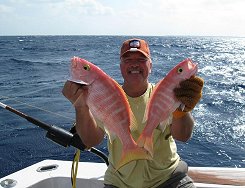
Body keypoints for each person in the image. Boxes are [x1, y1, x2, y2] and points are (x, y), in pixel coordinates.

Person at [62, 38, 204, 188]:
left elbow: (183, 136)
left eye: (142, 59)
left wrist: (182, 109)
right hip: (119, 183)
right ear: (121, 66)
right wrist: (80, 106)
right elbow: (90, 141)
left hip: (169, 178)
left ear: (151, 65)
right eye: (127, 59)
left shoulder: (166, 93)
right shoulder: (103, 96)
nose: (134, 64)